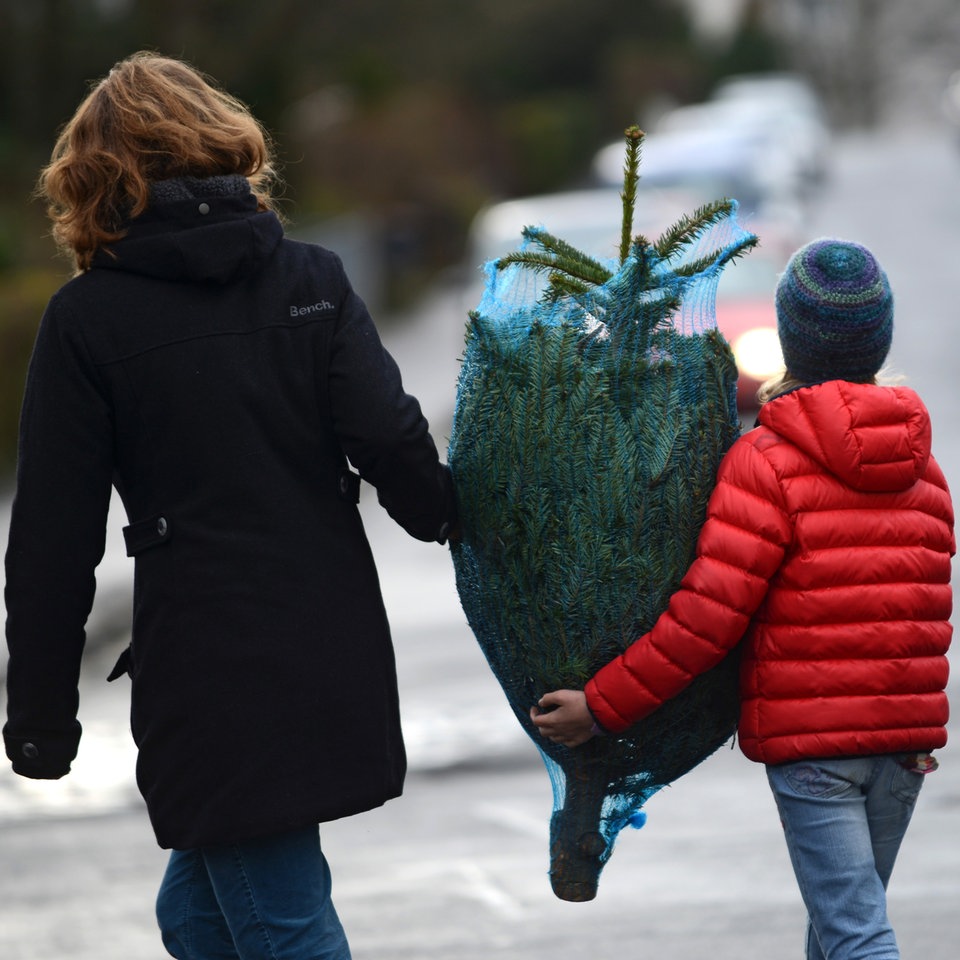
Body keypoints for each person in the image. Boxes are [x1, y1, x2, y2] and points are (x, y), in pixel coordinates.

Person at [3, 51, 458, 960]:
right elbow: (390, 438)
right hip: (329, 639)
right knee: (200, 920)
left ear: (94, 183)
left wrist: (42, 714)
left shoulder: (88, 322)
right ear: (224, 146)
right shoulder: (312, 281)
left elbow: (54, 540)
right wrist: (450, 514)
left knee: (285, 929)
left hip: (211, 672)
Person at [532, 238, 954, 960]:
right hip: (903, 747)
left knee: (855, 934)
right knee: (841, 928)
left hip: (814, 751)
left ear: (794, 337)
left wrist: (602, 706)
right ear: (877, 338)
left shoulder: (764, 461)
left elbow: (706, 618)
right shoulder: (926, 472)